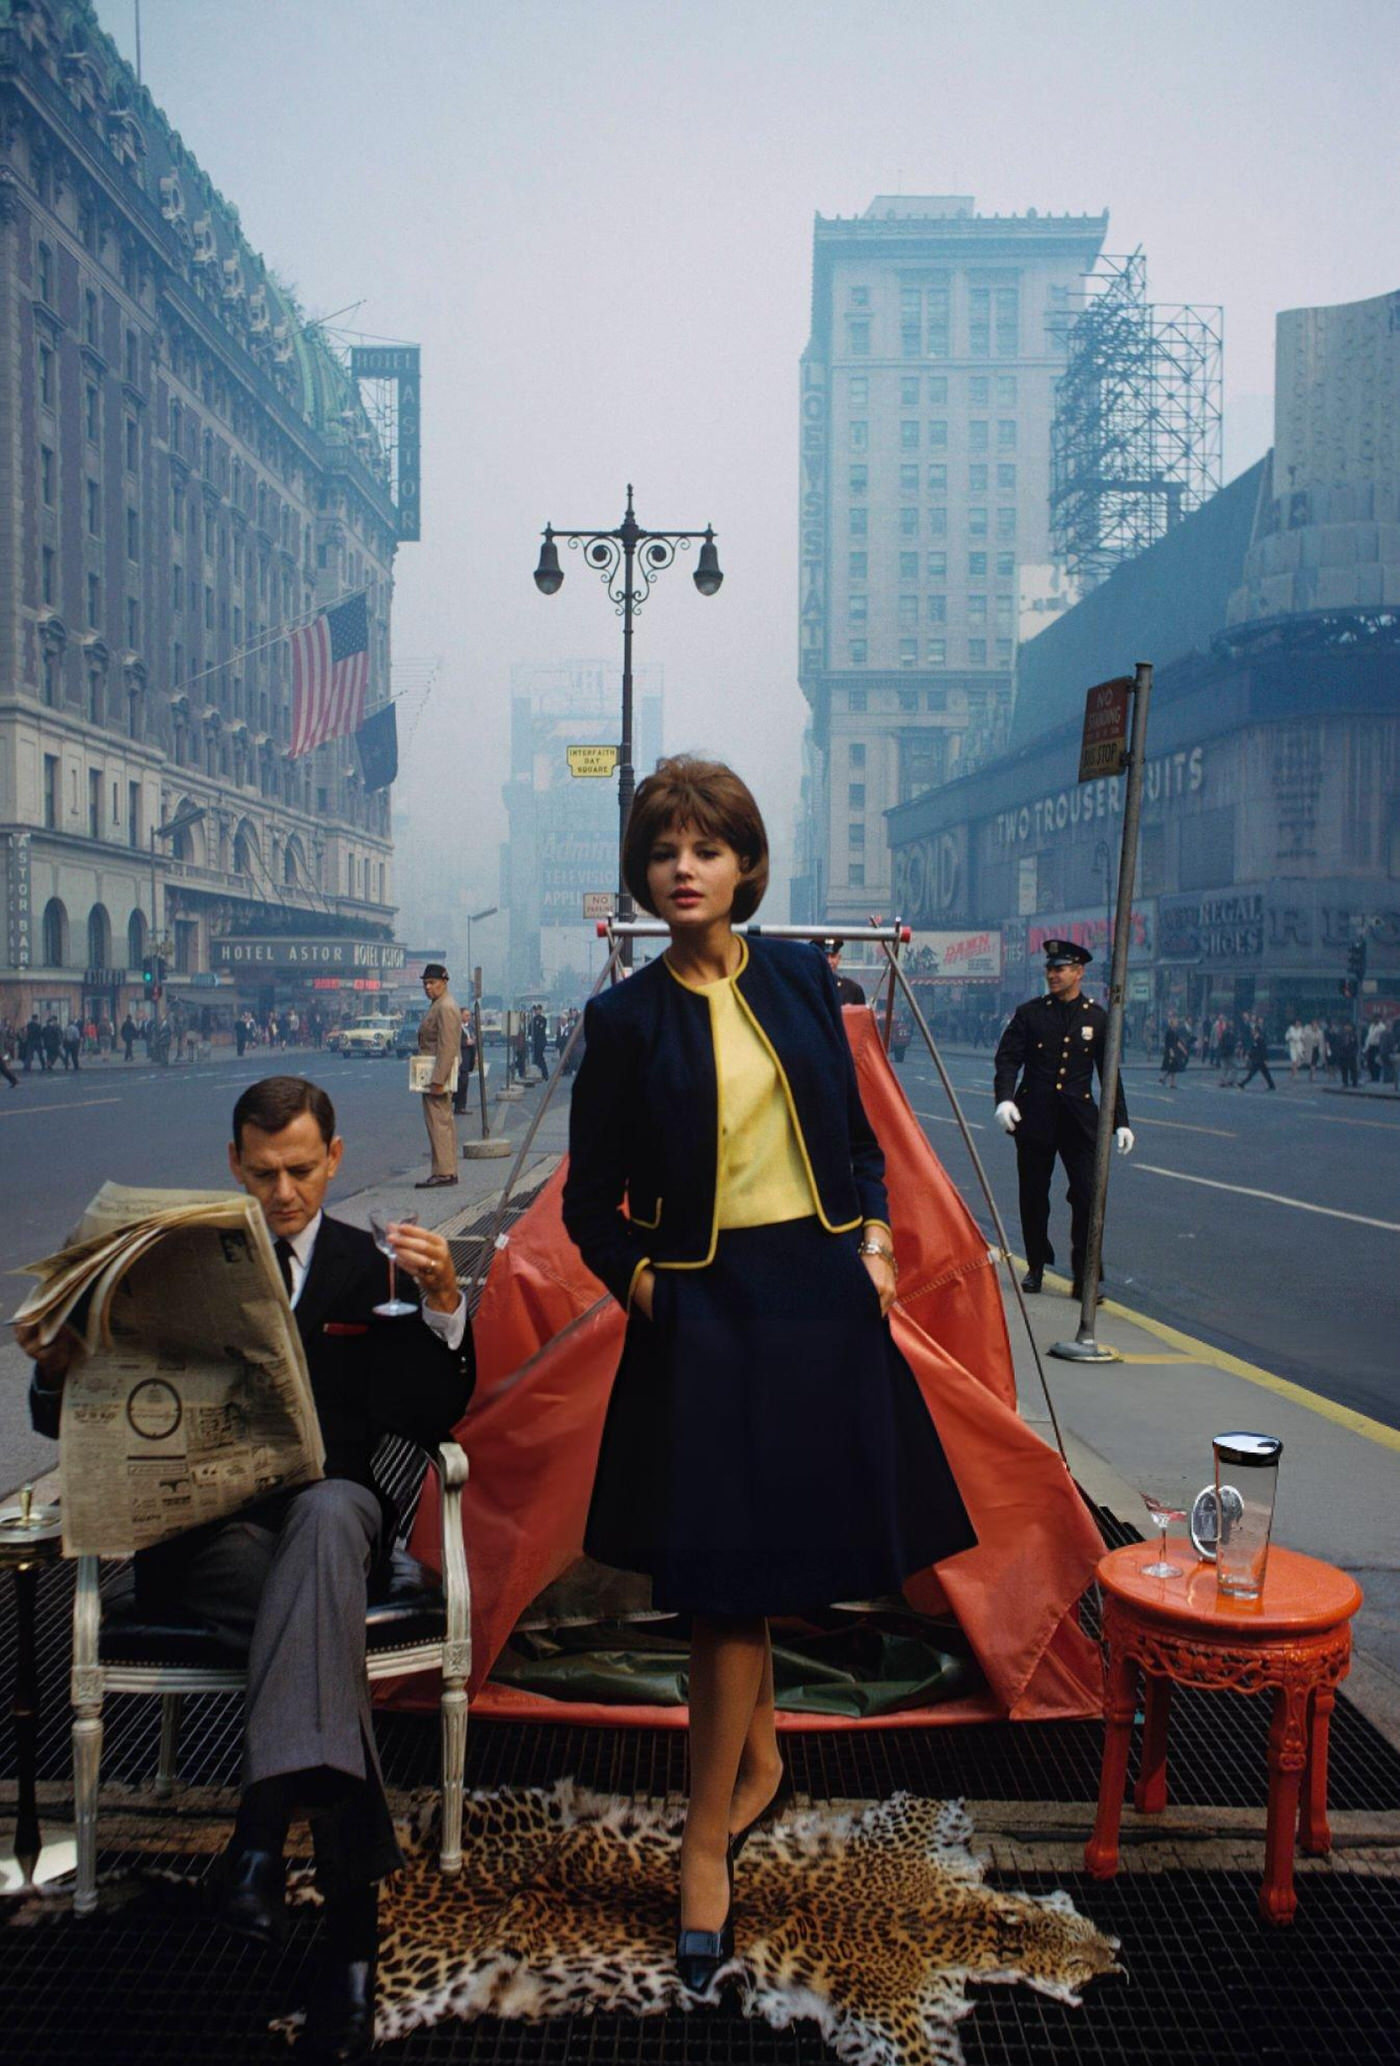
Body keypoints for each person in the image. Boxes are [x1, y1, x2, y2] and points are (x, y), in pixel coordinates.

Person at [562, 756, 976, 1995]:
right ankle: (707, 1841)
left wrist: (877, 1239)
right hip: (703, 1308)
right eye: (660, 851)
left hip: (816, 1301)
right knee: (722, 1584)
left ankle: (758, 1769)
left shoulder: (802, 977)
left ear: (744, 865)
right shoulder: (623, 1019)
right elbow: (589, 1201)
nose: (680, 867)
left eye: (704, 847)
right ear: (643, 876)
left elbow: (853, 1141)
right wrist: (642, 1282)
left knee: (771, 1563)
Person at [17, 1075, 473, 2062]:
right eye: (262, 1171)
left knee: (327, 1506)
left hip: (335, 1517)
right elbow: (69, 1419)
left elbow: (429, 1418)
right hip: (211, 1539)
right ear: (233, 1164)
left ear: (336, 1158)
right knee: (311, 1595)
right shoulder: (173, 1266)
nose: (284, 1191)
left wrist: (443, 1303)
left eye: (302, 1169)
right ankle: (347, 1940)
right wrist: (55, 1363)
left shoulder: (370, 1265)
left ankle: (260, 1837)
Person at [992, 940, 1135, 1297]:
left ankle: (1086, 1275)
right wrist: (1005, 1100)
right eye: (1050, 969)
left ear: (1079, 972)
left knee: (1087, 1196)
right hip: (1036, 1117)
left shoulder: (1096, 1018)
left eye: (1061, 969)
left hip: (1078, 1121)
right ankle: (1036, 1265)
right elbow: (1008, 1060)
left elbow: (1109, 1073)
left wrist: (1120, 1121)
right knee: (1034, 1196)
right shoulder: (1030, 1014)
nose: (1053, 975)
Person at [416, 963, 461, 1188]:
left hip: (437, 1075)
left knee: (439, 1123)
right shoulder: (439, 1004)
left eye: (432, 983)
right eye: (425, 983)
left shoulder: (445, 1007)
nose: (428, 987)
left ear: (444, 983)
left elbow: (448, 1046)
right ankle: (445, 1169)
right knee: (439, 1122)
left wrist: (437, 1079)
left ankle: (444, 1172)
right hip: (432, 1072)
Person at [823, 937, 867, 1006]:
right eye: (824, 956)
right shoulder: (807, 988)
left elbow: (861, 1015)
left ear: (839, 958)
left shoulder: (852, 989)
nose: (829, 961)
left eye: (833, 956)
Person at [1238, 1017, 1275, 1090]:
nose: (1252, 1031)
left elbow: (1263, 1050)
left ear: (1256, 1031)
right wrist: (1249, 1055)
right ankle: (1272, 1085)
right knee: (1266, 1074)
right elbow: (1253, 1050)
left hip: (1259, 1060)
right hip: (1257, 1059)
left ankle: (1242, 1083)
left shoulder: (1260, 1039)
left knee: (1252, 1073)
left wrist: (1266, 1059)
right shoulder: (1254, 1039)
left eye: (1253, 1030)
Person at [1159, 1015, 1188, 1090]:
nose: (1177, 1023)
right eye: (1175, 1022)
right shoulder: (1169, 1032)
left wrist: (1183, 1050)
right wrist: (1171, 1051)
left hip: (1174, 1051)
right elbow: (1168, 1043)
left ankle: (1164, 1079)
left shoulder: (1174, 1032)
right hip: (1171, 1051)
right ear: (1172, 1024)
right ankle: (1171, 1082)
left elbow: (1178, 1042)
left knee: (1172, 1067)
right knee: (1173, 1067)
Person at [529, 1004, 550, 1083]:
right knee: (536, 1058)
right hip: (535, 1041)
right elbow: (530, 1030)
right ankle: (541, 1074)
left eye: (538, 1010)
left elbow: (540, 1029)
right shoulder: (533, 1019)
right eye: (536, 1010)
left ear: (540, 1010)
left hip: (540, 1041)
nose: (537, 1011)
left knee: (540, 1058)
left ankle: (545, 1074)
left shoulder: (543, 1019)